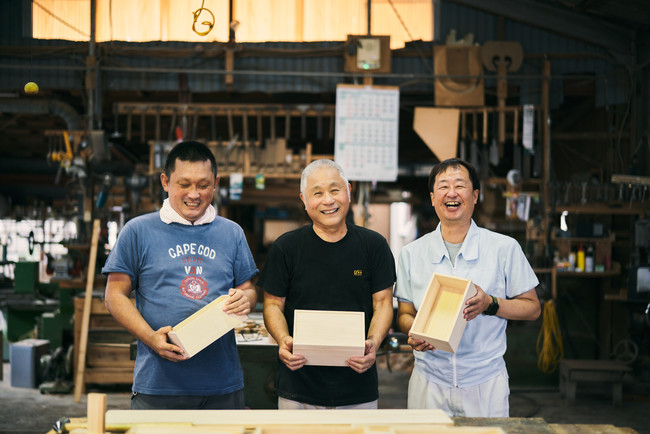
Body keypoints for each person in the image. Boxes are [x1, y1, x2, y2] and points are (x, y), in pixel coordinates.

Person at [102, 141, 258, 410]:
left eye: (203, 185)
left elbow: (249, 289)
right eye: (184, 184)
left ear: (216, 183)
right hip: (159, 384)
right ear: (165, 182)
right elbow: (114, 296)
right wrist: (151, 337)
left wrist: (246, 299)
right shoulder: (138, 231)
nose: (194, 194)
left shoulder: (232, 233)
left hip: (222, 384)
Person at [394, 158, 540, 417]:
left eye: (460, 186)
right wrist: (412, 332)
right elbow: (405, 314)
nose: (451, 193)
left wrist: (491, 304)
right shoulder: (411, 254)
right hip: (429, 381)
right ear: (432, 198)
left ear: (475, 196)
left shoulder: (504, 248)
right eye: (443, 187)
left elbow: (532, 309)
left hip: (485, 381)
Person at [259, 159, 395, 409]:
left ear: (349, 191)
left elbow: (384, 303)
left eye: (335, 190)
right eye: (317, 193)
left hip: (358, 385)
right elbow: (272, 305)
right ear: (303, 199)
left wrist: (373, 344)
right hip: (297, 386)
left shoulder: (374, 246)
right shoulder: (286, 248)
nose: (328, 200)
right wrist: (282, 340)